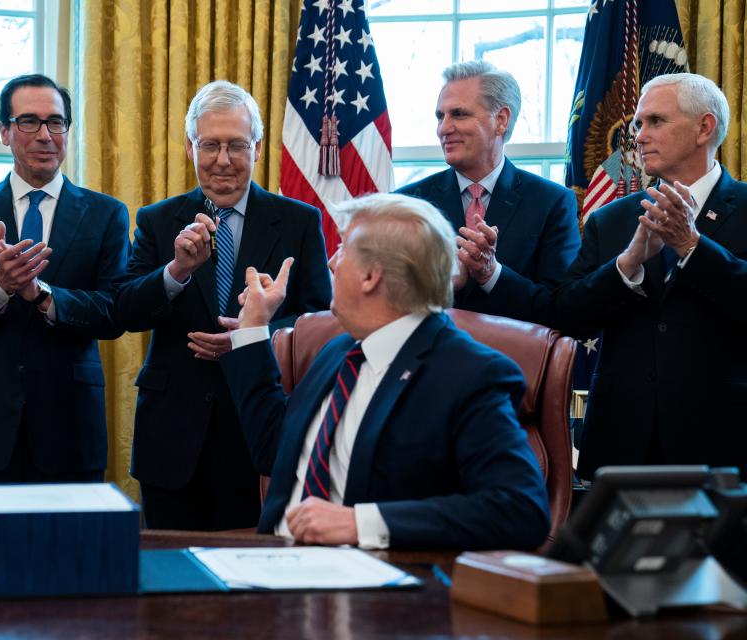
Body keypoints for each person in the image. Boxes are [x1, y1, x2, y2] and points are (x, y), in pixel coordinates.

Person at [457, 72, 747, 479]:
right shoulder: (612, 220)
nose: (640, 136)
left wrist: (692, 247)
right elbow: (563, 313)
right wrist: (625, 266)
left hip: (725, 442)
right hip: (623, 443)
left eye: (656, 122)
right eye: (638, 124)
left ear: (704, 128)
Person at [219, 192, 549, 549]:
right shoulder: (339, 352)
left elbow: (520, 510)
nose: (331, 263)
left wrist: (360, 523)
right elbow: (275, 450)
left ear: (371, 276)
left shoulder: (470, 374)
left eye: (343, 249)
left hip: (369, 586)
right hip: (271, 566)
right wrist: (253, 328)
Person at [118, 80, 332, 530]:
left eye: (236, 145)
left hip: (257, 428)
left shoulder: (299, 221)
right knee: (168, 581)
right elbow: (125, 310)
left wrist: (253, 335)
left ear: (257, 148)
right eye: (209, 145)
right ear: (189, 146)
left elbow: (321, 319)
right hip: (172, 437)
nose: (222, 159)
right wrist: (175, 271)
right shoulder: (157, 220)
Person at [0, 74, 130, 482]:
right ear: (5, 132)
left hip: (70, 428)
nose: (44, 135)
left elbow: (114, 313)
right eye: (29, 122)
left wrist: (42, 295)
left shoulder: (107, 213)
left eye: (56, 122)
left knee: (70, 548)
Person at [396, 60, 579, 309]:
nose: (444, 128)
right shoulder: (406, 204)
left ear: (501, 120)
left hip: (515, 348)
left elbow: (561, 308)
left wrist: (491, 274)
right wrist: (441, 286)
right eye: (441, 116)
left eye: (459, 114)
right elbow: (385, 301)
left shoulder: (551, 203)